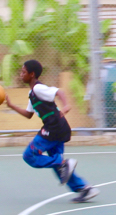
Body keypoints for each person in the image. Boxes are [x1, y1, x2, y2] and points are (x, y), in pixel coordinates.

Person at [5, 59, 99, 203]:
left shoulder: (38, 89)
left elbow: (59, 91)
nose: (20, 74)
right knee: (60, 167)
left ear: (32, 74)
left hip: (54, 128)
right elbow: (28, 114)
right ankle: (85, 189)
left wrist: (66, 106)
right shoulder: (33, 94)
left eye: (23, 72)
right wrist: (11, 106)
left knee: (29, 156)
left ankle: (64, 164)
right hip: (59, 128)